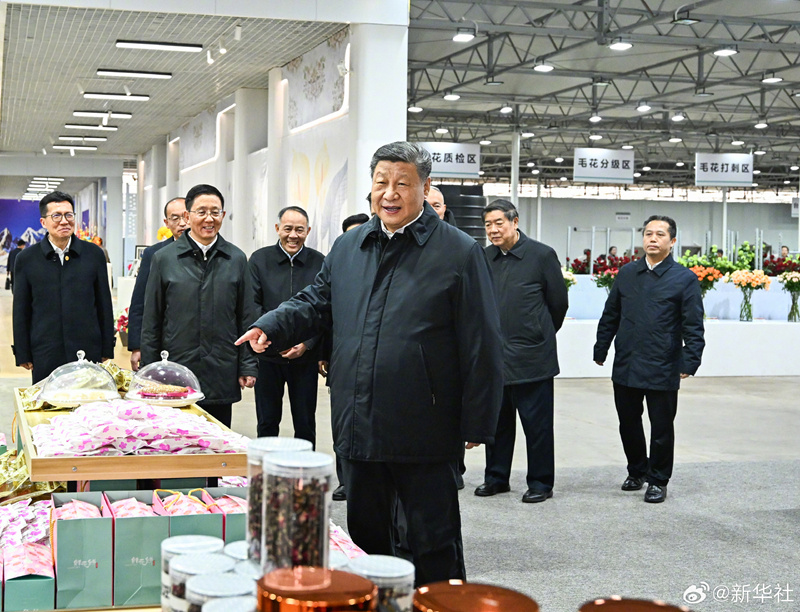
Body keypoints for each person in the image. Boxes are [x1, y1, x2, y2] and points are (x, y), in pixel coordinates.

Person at [237, 141, 503, 585]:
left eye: (403, 183)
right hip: (358, 421)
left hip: (425, 426)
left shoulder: (458, 252)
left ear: (425, 187)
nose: (390, 193)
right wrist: (274, 324)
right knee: (365, 541)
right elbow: (315, 301)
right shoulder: (349, 246)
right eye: (382, 182)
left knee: (432, 542)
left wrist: (478, 420)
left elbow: (482, 342)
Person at [594, 215, 705, 503]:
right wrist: (601, 347)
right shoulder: (628, 273)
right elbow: (611, 314)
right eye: (648, 233)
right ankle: (637, 470)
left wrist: (689, 360)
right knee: (627, 422)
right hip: (628, 362)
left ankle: (658, 479)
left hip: (663, 363)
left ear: (672, 241)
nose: (652, 239)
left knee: (661, 427)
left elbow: (693, 324)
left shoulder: (684, 279)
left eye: (660, 234)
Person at [476, 199, 568, 504]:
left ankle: (541, 482)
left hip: (533, 359)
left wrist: (537, 333)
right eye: (488, 224)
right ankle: (496, 477)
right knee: (497, 425)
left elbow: (558, 304)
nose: (493, 230)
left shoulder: (541, 255)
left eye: (499, 223)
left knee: (537, 426)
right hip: (495, 360)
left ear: (515, 222)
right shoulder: (483, 257)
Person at [141, 184, 257, 427]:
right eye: (201, 211)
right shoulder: (164, 259)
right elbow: (152, 319)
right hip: (175, 368)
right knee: (174, 442)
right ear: (187, 216)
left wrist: (247, 364)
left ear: (223, 216)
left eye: (215, 212)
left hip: (221, 367)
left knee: (217, 441)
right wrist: (149, 372)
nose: (209, 218)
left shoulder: (236, 259)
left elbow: (246, 316)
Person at [12, 191, 114, 382]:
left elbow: (104, 304)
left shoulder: (94, 254)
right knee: (49, 406)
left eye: (69, 215)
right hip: (45, 349)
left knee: (88, 404)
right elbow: (21, 309)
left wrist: (107, 346)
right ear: (44, 222)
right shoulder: (26, 259)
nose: (64, 221)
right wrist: (23, 352)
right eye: (56, 216)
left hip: (87, 348)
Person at [248, 206, 325, 444]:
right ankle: (266, 475)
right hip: (268, 357)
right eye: (288, 228)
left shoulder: (319, 261)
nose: (293, 235)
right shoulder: (260, 260)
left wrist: (308, 343)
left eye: (300, 230)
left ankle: (304, 478)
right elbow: (253, 305)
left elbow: (324, 308)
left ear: (308, 231)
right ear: (277, 229)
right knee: (267, 421)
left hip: (304, 359)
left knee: (305, 423)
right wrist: (270, 339)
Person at [127, 197, 188, 371]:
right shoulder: (154, 254)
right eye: (175, 218)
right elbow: (139, 302)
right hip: (162, 340)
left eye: (185, 217)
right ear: (166, 223)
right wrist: (136, 346)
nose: (182, 223)